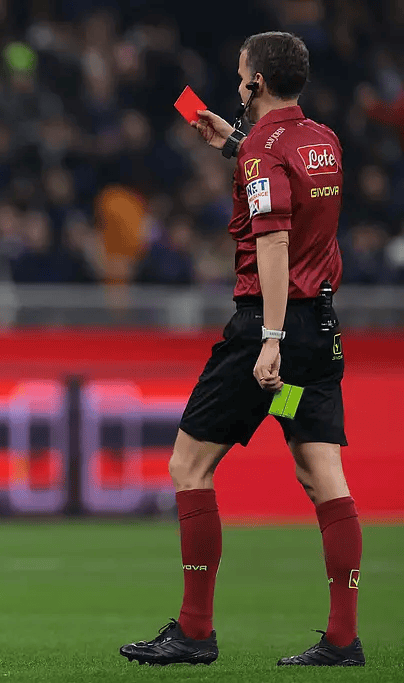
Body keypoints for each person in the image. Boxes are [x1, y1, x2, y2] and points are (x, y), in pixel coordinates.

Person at [119, 32, 364, 667]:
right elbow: (296, 194)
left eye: (240, 72)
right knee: (320, 473)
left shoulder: (263, 149)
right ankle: (343, 640)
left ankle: (194, 631)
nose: (236, 81)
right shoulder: (323, 140)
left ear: (256, 81)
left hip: (267, 337)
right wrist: (233, 143)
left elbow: (276, 241)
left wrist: (270, 340)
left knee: (188, 467)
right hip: (321, 335)